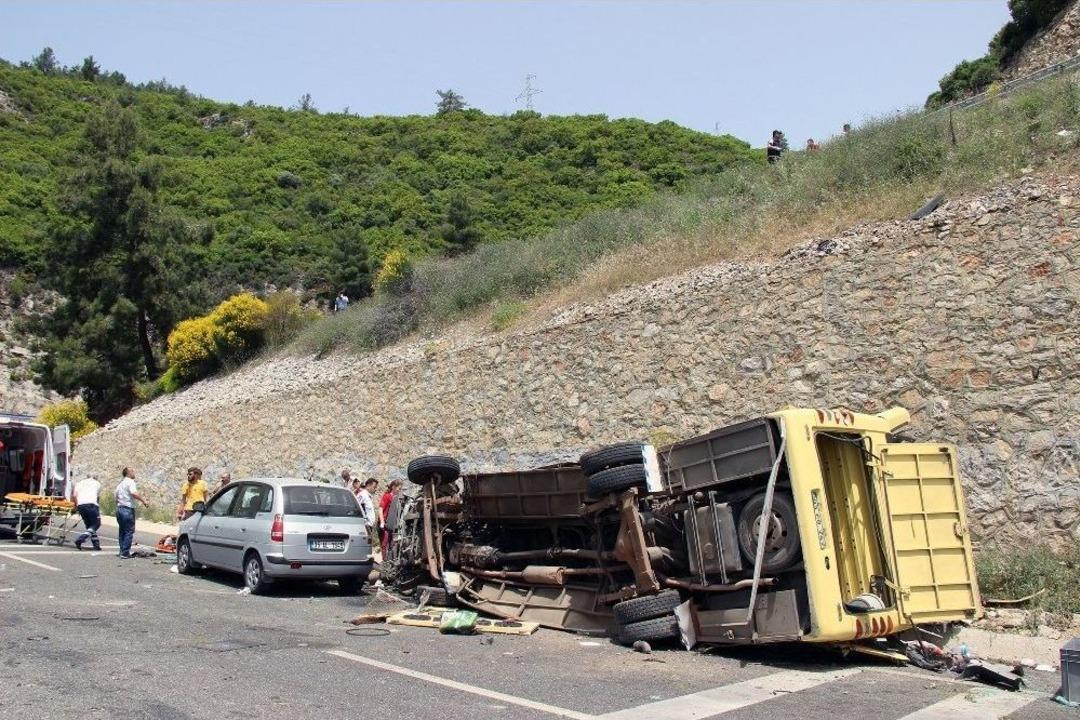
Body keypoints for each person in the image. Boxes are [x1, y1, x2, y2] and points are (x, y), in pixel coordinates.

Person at [115, 467, 148, 559]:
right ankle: (125, 553)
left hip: (119, 509)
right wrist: (143, 501)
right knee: (129, 531)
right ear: (128, 473)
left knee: (122, 531)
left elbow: (116, 496)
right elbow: (134, 493)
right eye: (132, 471)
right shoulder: (130, 482)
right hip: (127, 509)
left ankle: (122, 550)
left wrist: (119, 505)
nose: (134, 472)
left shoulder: (120, 484)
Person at [72, 475, 102, 551]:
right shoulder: (97, 483)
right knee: (96, 524)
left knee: (90, 526)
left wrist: (76, 506)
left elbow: (74, 495)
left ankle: (96, 544)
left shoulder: (79, 483)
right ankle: (81, 538)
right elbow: (97, 497)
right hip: (91, 504)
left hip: (81, 505)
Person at [379, 479, 402, 557]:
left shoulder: (397, 498)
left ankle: (390, 560)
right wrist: (382, 522)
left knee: (391, 542)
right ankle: (384, 560)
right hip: (385, 523)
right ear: (393, 487)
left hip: (392, 523)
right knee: (384, 542)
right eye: (399, 488)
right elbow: (380, 509)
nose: (399, 490)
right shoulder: (387, 496)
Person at [357, 478, 380, 547]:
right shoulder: (362, 495)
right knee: (363, 546)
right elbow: (357, 508)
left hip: (369, 526)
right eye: (374, 487)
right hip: (364, 526)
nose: (375, 489)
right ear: (368, 485)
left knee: (366, 546)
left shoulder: (368, 496)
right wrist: (364, 523)